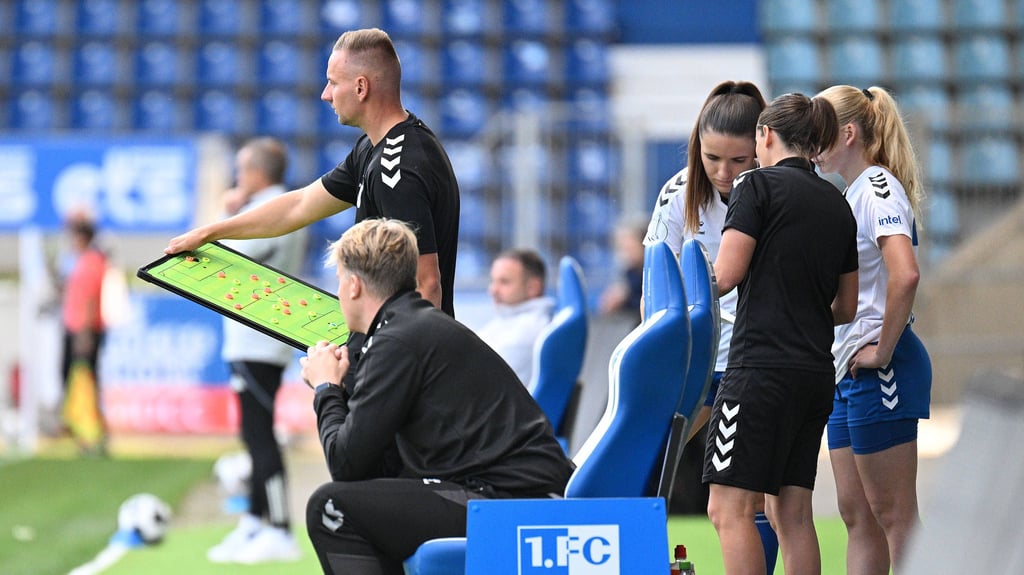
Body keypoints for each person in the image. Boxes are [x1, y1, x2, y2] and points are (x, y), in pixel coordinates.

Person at [164, 27, 460, 390]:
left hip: (405, 365)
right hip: (385, 351)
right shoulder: (374, 149)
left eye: (333, 82)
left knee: (350, 445)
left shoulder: (398, 169)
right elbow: (300, 205)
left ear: (361, 87)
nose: (325, 95)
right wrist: (211, 232)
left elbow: (427, 284)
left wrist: (401, 385)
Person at [299, 219, 574, 575]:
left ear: (353, 286)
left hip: (509, 499)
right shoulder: (412, 327)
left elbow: (345, 465)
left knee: (330, 506)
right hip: (516, 489)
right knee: (376, 494)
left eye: (338, 281)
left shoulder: (396, 341)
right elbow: (368, 465)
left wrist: (326, 389)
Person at [704, 92, 859, 575]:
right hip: (815, 374)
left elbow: (725, 276)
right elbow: (847, 305)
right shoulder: (837, 201)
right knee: (791, 514)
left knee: (727, 509)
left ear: (764, 135)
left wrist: (679, 280)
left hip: (759, 371)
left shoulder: (755, 186)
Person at [644, 80, 780, 572]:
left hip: (755, 364)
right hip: (695, 363)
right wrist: (657, 360)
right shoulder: (678, 193)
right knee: (648, 465)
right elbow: (654, 286)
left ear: (763, 145)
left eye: (738, 160)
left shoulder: (777, 196)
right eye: (711, 158)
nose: (722, 173)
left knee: (753, 500)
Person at [815, 85, 932, 574]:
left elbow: (904, 273)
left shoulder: (878, 186)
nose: (809, 141)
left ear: (847, 133)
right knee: (856, 513)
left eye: (818, 131)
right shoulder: (852, 192)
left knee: (893, 513)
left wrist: (882, 351)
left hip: (880, 370)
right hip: (848, 370)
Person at [205, 138, 306, 564]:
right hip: (252, 339)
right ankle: (255, 521)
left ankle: (280, 530)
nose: (237, 178)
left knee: (261, 436)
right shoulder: (271, 204)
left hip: (259, 340)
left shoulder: (269, 206)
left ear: (258, 174)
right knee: (252, 434)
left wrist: (228, 212)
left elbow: (221, 250)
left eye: (242, 170)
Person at [59, 211, 109, 454]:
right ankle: (84, 431)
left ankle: (91, 433)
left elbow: (89, 299)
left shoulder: (91, 261)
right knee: (77, 380)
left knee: (84, 382)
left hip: (83, 331)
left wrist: (84, 333)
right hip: (76, 328)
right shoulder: (82, 260)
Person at [475, 248, 554, 385]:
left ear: (533, 288)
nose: (493, 290)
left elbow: (478, 382)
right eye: (493, 281)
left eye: (504, 282)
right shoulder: (509, 320)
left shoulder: (527, 330)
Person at [599, 217, 646, 325]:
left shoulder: (653, 274)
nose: (626, 252)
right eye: (622, 247)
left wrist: (625, 297)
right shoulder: (631, 273)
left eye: (630, 247)